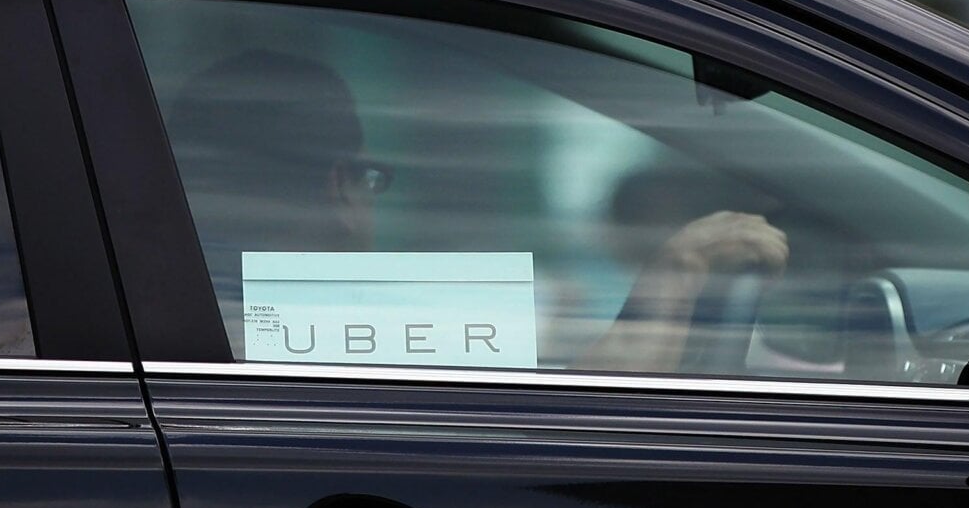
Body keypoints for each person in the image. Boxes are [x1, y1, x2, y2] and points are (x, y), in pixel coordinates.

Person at [167, 50, 788, 375]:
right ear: (341, 186)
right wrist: (678, 270)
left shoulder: (168, 317)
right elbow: (578, 428)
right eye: (370, 179)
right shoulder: (334, 329)